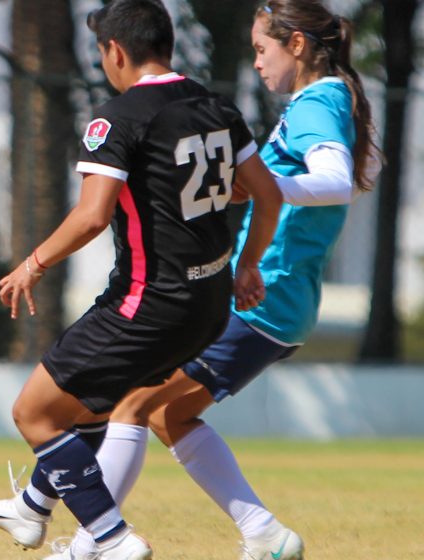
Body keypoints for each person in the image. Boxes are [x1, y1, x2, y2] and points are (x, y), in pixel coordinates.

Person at [46, 1, 380, 559]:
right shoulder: (322, 101)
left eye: (261, 49)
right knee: (166, 412)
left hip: (264, 296)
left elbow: (336, 180)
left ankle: (93, 545)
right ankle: (265, 535)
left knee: (133, 404)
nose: (256, 63)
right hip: (278, 299)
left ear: (296, 46)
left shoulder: (319, 101)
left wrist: (258, 186)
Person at [0, 2, 283, 559]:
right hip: (208, 304)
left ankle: (112, 540)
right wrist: (248, 265)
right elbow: (267, 192)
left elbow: (91, 216)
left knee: (34, 412)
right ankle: (31, 509)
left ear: (115, 51)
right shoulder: (215, 106)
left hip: (147, 302)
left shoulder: (118, 118)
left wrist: (30, 265)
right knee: (87, 405)